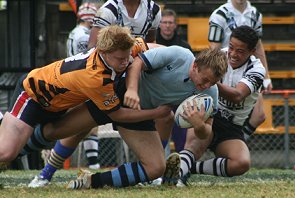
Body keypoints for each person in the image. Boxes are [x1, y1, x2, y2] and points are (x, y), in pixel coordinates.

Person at [28, 45, 227, 188]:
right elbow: (138, 62)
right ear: (194, 66)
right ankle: (38, 168)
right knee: (57, 131)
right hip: (116, 95)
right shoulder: (179, 56)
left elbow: (205, 133)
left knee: (156, 167)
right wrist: (132, 90)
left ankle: (91, 181)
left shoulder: (210, 93)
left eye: (213, 83)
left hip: (140, 115)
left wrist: (199, 125)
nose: (207, 86)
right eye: (205, 80)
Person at [0, 25, 170, 167]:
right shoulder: (94, 77)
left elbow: (159, 51)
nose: (125, 62)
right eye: (119, 59)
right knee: (6, 152)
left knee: (51, 135)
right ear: (103, 52)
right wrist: (157, 113)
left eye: (127, 56)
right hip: (33, 96)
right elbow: (117, 114)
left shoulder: (124, 47)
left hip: (59, 103)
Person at [167, 25, 266, 187]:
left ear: (252, 51)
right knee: (193, 146)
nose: (233, 54)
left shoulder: (257, 69)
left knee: (241, 163)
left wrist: (209, 81)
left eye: (240, 51)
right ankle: (176, 178)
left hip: (232, 126)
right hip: (208, 111)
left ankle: (189, 167)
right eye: (232, 47)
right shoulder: (219, 56)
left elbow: (238, 95)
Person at [208, 0, 272, 139]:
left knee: (259, 115)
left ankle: (238, 139)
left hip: (248, 71)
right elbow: (214, 48)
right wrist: (215, 74)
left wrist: (266, 76)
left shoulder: (255, 14)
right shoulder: (219, 14)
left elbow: (258, 46)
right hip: (225, 69)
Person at [65, 2, 101, 169]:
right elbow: (86, 56)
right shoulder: (84, 36)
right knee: (87, 124)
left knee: (88, 124)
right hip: (80, 80)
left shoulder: (74, 32)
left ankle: (93, 163)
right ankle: (93, 164)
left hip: (75, 78)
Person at [155, 8, 192, 153]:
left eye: (170, 22)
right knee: (157, 133)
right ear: (159, 25)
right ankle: (157, 163)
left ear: (175, 25)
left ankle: (181, 164)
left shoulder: (185, 47)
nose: (167, 25)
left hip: (179, 95)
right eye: (164, 22)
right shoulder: (152, 43)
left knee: (181, 134)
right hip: (157, 94)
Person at [88, 0, 161, 48]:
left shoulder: (154, 9)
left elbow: (151, 41)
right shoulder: (107, 10)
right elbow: (92, 47)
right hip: (111, 63)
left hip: (140, 62)